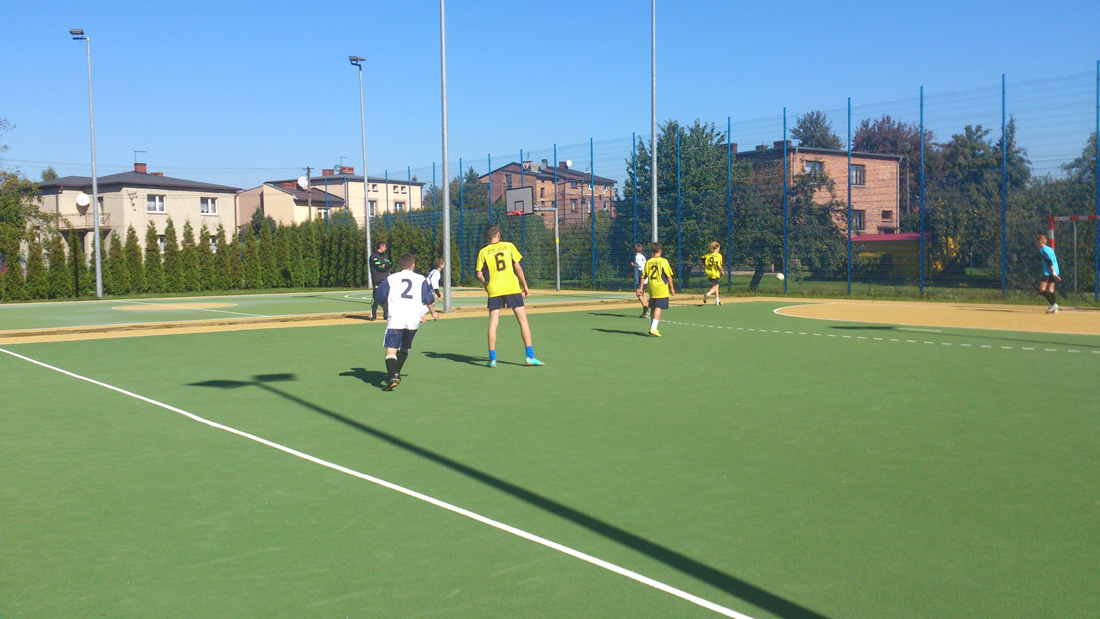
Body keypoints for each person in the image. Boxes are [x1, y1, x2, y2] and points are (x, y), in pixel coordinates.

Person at [475, 225, 544, 367]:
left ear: (487, 237)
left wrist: (486, 285)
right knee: (523, 322)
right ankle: (530, 357)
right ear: (498, 235)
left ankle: (492, 359)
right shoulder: (509, 246)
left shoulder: (483, 252)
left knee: (493, 324)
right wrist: (524, 284)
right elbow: (517, 267)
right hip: (512, 287)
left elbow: (479, 274)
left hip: (494, 289)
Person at [373, 253, 439, 391]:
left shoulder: (391, 278)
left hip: (396, 318)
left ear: (400, 265)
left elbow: (379, 297)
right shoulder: (420, 279)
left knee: (391, 349)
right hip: (413, 319)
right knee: (405, 347)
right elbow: (428, 298)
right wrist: (433, 312)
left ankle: (391, 377)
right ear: (413, 265)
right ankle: (396, 373)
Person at [638, 241, 675, 337]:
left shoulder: (649, 262)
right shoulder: (664, 261)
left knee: (653, 306)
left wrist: (641, 288)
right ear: (661, 251)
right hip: (660, 287)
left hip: (651, 287)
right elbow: (669, 276)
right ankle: (653, 328)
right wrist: (672, 288)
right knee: (659, 307)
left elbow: (643, 276)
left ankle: (652, 327)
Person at [1037, 234, 1062, 313]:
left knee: (1042, 289)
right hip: (1056, 270)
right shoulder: (1050, 249)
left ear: (1040, 242)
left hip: (1049, 272)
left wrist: (1052, 271)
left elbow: (1048, 260)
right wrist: (1055, 271)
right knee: (1051, 289)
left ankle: (1053, 304)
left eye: (1037, 242)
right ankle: (1054, 309)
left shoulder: (1043, 250)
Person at [369, 241, 393, 321]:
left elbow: (390, 264)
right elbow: (379, 267)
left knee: (386, 297)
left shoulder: (384, 256)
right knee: (376, 298)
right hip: (377, 280)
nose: (385, 248)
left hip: (385, 279)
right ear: (381, 247)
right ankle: (373, 315)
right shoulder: (374, 257)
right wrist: (385, 266)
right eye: (384, 246)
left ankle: (386, 314)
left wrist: (385, 266)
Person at [701, 241, 726, 306]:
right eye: (719, 247)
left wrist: (705, 265)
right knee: (715, 287)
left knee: (715, 287)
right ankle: (708, 294)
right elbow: (719, 265)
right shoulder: (718, 255)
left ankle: (717, 301)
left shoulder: (707, 255)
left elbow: (701, 260)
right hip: (715, 273)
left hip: (708, 273)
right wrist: (722, 271)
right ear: (717, 248)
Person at [631, 243, 649, 317]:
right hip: (645, 277)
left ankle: (646, 309)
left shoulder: (637, 257)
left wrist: (633, 265)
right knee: (643, 293)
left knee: (638, 293)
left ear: (634, 250)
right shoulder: (643, 257)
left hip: (641, 277)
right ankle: (646, 308)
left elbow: (640, 267)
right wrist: (632, 273)